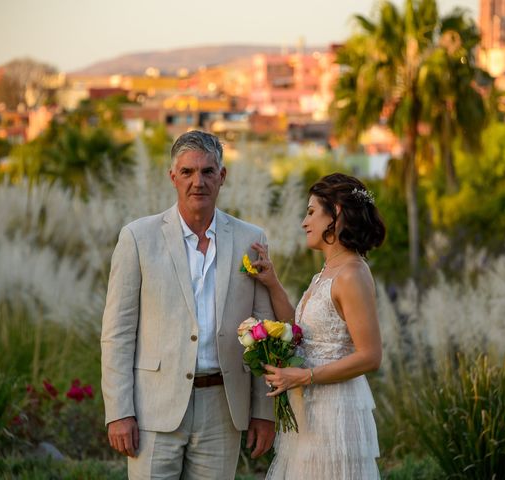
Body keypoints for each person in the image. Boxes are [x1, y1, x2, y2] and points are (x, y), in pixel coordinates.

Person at [101, 130, 276, 479]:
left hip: (223, 408)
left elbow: (264, 331)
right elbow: (117, 333)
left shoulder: (250, 239)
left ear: (222, 176)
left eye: (208, 172)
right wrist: (119, 412)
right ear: (173, 177)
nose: (198, 182)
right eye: (188, 172)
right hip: (153, 408)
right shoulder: (137, 237)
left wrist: (264, 411)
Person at [248, 172, 385, 479]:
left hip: (335, 411)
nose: (303, 222)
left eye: (311, 212)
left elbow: (371, 356)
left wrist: (305, 376)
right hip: (309, 408)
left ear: (335, 214)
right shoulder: (327, 271)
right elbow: (300, 333)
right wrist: (272, 283)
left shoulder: (351, 274)